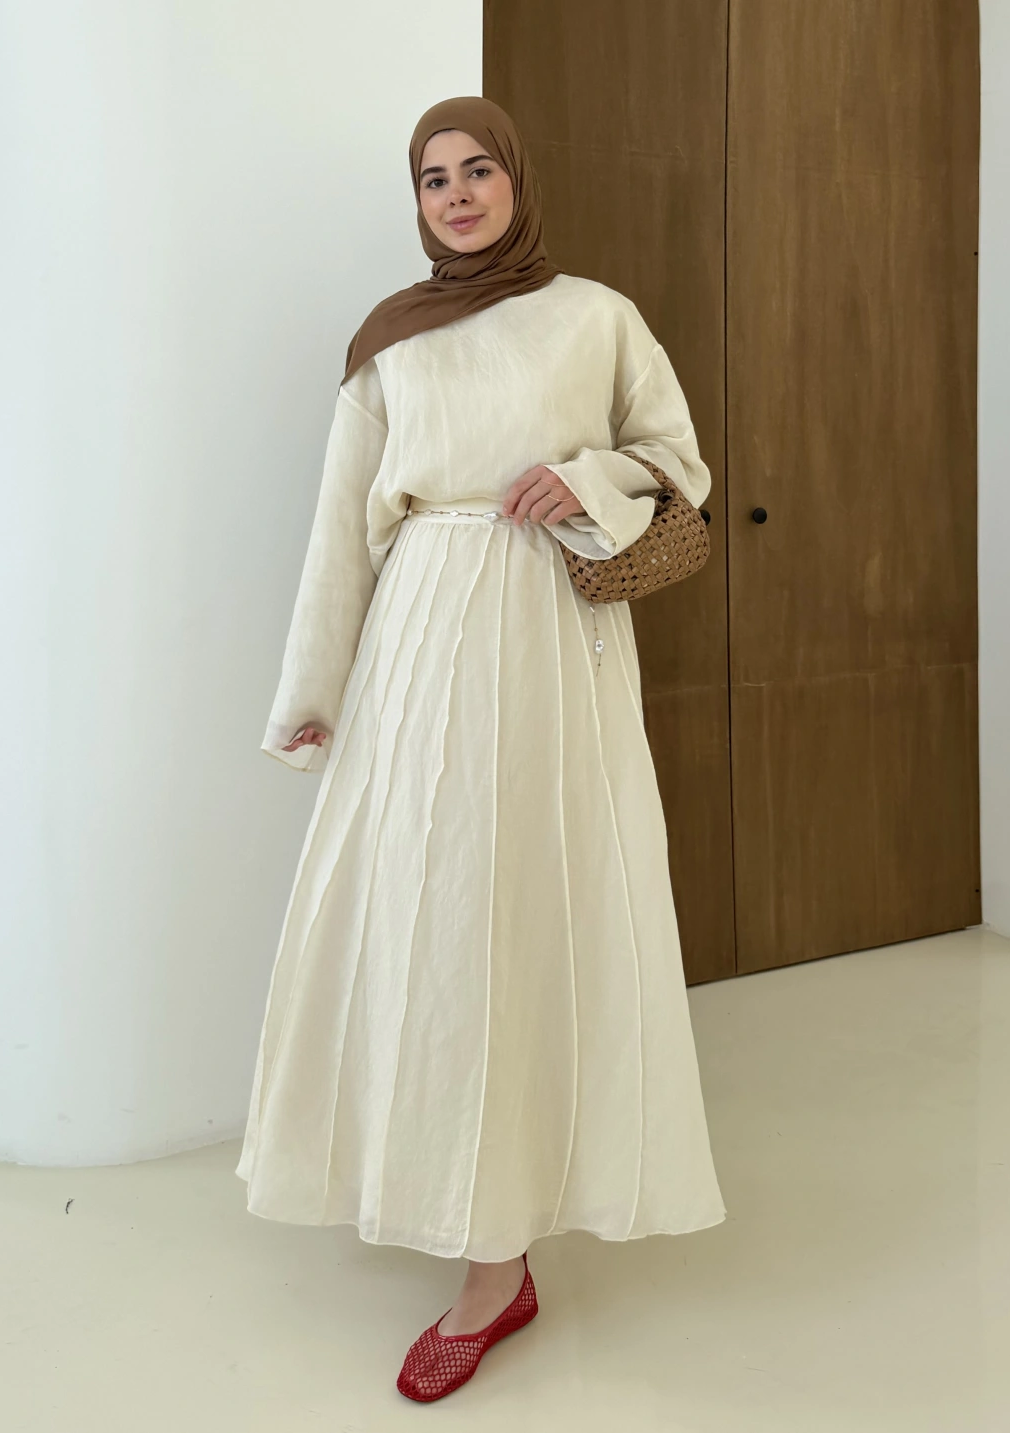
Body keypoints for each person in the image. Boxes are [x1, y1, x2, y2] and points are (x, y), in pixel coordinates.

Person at [236, 95, 725, 1403]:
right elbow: (341, 526)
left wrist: (590, 478)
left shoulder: (597, 317)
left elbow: (678, 464)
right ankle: (456, 1207)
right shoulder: (389, 343)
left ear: (517, 178)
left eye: (477, 170)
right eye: (431, 177)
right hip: (419, 642)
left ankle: (501, 1253)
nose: (455, 194)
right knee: (434, 920)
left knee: (534, 910)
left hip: (553, 642)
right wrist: (313, 690)